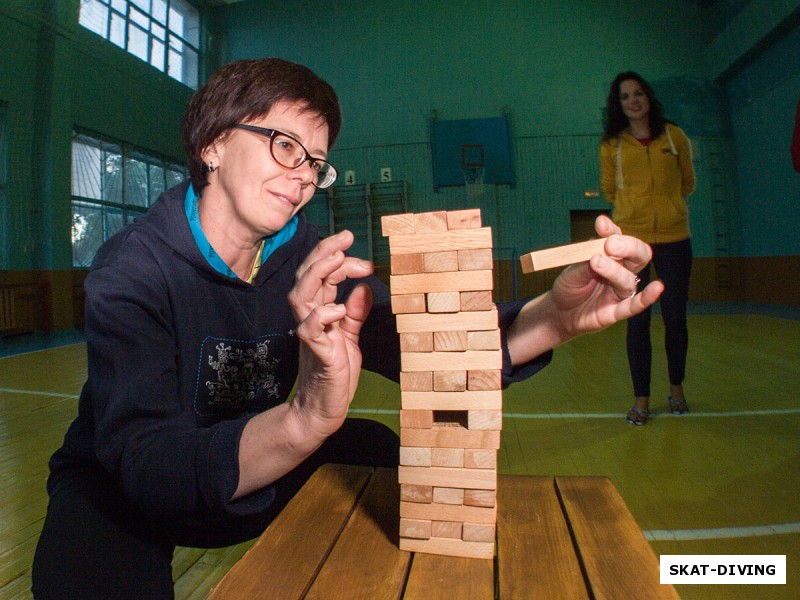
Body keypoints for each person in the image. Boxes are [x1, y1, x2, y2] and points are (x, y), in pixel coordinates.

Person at [32, 58, 662, 599]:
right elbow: (150, 466)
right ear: (213, 144)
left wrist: (555, 317)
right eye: (285, 145)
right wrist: (304, 417)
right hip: (125, 487)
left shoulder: (307, 254)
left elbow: (424, 342)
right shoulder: (132, 269)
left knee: (370, 451)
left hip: (247, 466)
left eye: (316, 162)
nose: (304, 174)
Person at [599, 71, 696, 426]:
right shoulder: (612, 146)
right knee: (637, 323)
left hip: (675, 240)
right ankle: (641, 399)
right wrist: (635, 213)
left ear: (648, 97)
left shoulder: (675, 136)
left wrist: (667, 208)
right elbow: (610, 190)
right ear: (618, 104)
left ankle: (677, 389)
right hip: (632, 244)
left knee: (675, 317)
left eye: (638, 93)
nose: (633, 101)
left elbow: (688, 181)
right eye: (625, 96)